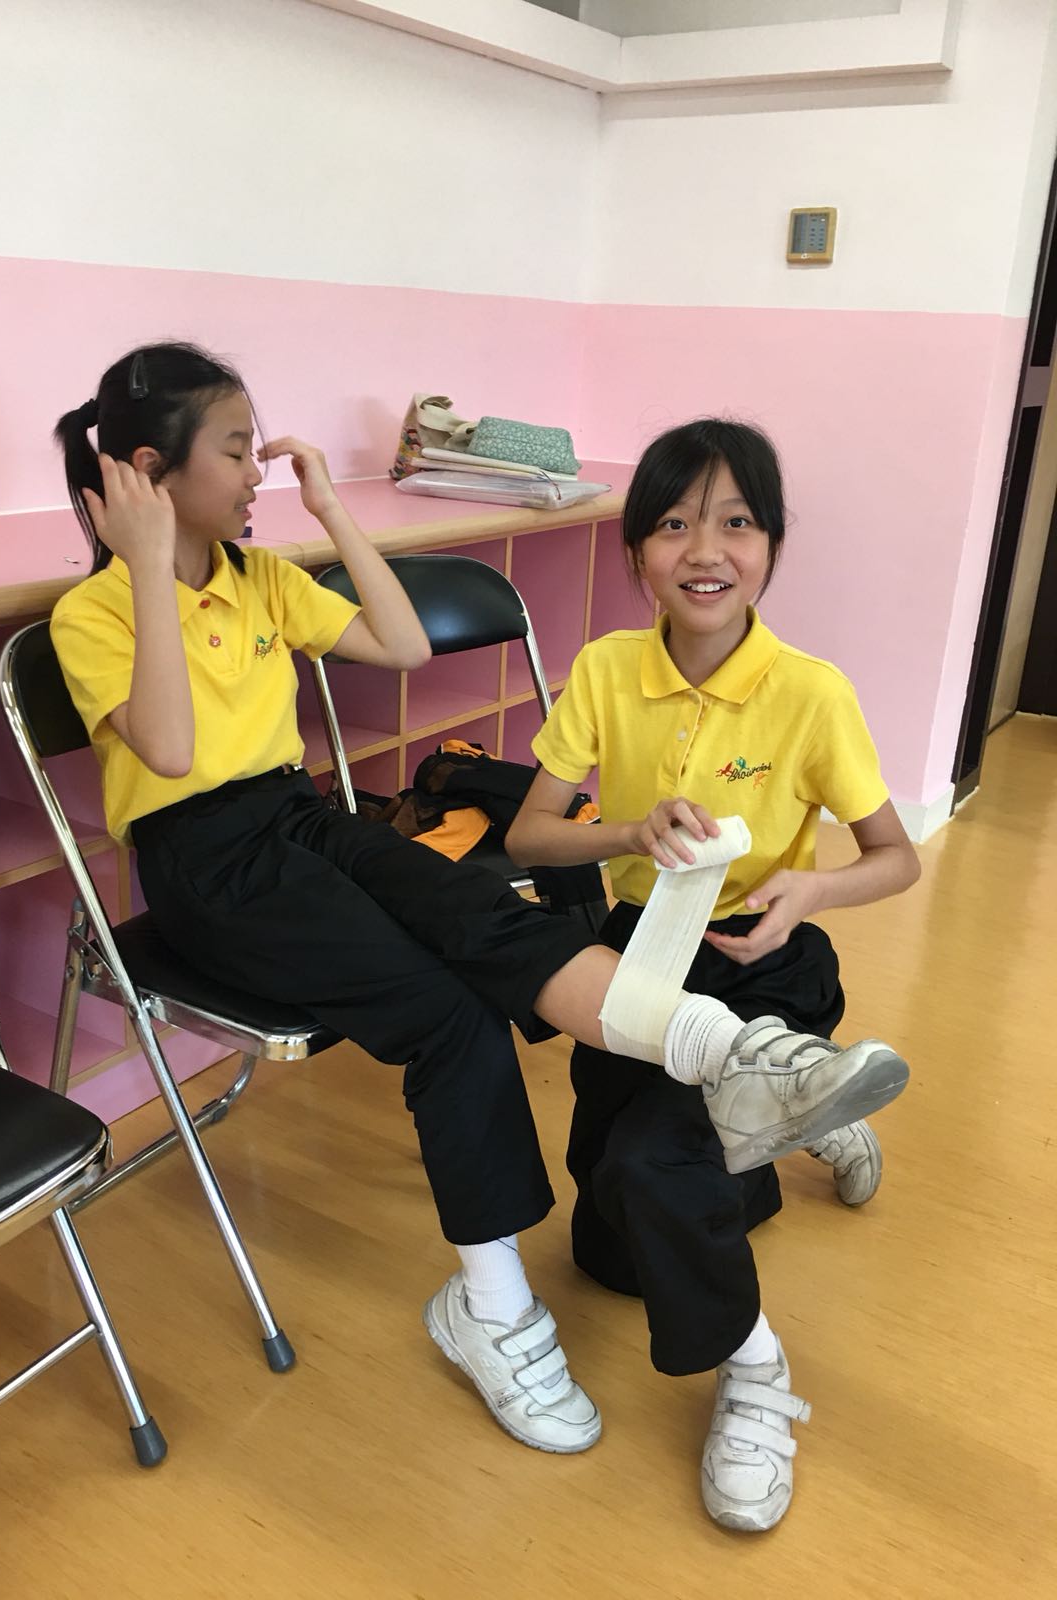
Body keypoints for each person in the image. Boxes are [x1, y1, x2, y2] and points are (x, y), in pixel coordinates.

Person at [50, 348, 908, 1467]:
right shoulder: (94, 612)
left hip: (300, 814)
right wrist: (144, 562)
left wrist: (330, 512)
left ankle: (729, 1051)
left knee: (475, 910)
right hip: (208, 861)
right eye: (236, 448)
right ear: (152, 472)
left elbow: (402, 646)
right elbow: (166, 750)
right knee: (450, 1014)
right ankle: (491, 1305)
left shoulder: (259, 577)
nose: (259, 467)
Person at [507, 417, 920, 1529]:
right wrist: (628, 829)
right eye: (676, 524)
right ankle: (799, 1112)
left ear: (772, 545)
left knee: (655, 1166)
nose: (706, 550)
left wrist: (809, 890)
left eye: (737, 523)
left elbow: (897, 857)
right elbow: (528, 835)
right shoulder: (606, 670)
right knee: (608, 1254)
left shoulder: (811, 692)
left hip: (763, 966)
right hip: (642, 962)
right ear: (636, 550)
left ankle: (755, 1373)